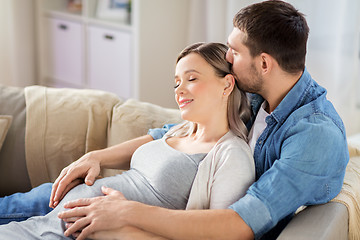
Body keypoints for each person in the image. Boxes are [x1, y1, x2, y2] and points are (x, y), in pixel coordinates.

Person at [53, 1, 348, 240]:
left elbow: (241, 223)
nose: (227, 58)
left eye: (234, 51)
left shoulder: (314, 136)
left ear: (265, 63)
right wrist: (96, 157)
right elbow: (172, 132)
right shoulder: (258, 95)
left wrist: (126, 213)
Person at [0, 42, 255, 239]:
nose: (179, 90)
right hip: (55, 209)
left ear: (227, 84)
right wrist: (94, 158)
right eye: (176, 83)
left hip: (71, 231)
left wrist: (124, 229)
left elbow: (216, 233)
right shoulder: (178, 131)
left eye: (192, 79)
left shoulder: (232, 155)